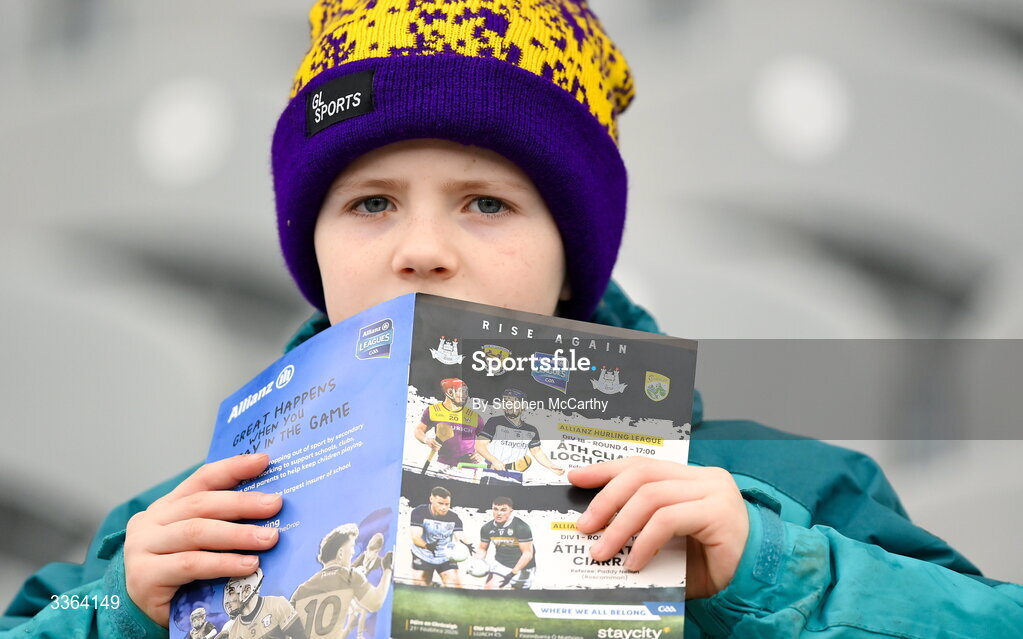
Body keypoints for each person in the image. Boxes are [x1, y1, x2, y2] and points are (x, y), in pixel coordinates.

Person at [2, 1, 1022, 637]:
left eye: (486, 203)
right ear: (309, 244)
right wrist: (119, 612)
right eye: (369, 203)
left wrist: (765, 571)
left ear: (572, 246)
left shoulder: (769, 490)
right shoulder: (193, 517)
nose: (422, 246)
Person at [289, 524, 393, 639]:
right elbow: (375, 602)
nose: (353, 552)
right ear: (341, 553)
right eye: (352, 546)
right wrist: (387, 569)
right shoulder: (350, 576)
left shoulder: (300, 591)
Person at [475, 388, 565, 484]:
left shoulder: (532, 430)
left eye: (514, 402)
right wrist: (494, 460)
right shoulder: (495, 422)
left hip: (516, 477)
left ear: (523, 406)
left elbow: (537, 452)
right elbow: (480, 445)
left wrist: (551, 466)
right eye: (505, 401)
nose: (509, 405)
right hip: (493, 474)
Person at [413, 378, 485, 473]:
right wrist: (426, 440)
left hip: (466, 468)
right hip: (442, 465)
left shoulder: (475, 417)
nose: (465, 396)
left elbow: (486, 440)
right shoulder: (433, 410)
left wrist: (481, 454)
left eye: (466, 392)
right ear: (450, 392)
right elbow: (418, 430)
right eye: (462, 391)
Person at [407, 487, 474, 588]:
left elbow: (459, 535)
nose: (444, 507)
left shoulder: (454, 517)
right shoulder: (419, 512)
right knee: (421, 587)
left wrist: (466, 544)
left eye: (447, 504)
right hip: (423, 555)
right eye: (440, 503)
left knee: (455, 586)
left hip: (445, 556)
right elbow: (415, 537)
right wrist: (427, 546)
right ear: (431, 499)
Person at [218, 569, 305, 639]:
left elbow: (300, 636)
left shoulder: (276, 605)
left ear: (247, 590)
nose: (227, 600)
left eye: (231, 592)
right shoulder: (233, 629)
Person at [476, 497, 536, 590]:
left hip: (523, 569)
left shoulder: (521, 527)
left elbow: (528, 554)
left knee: (516, 601)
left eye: (503, 510)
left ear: (511, 511)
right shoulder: (487, 528)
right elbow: (482, 549)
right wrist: (477, 562)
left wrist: (513, 573)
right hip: (501, 564)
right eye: (495, 509)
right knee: (489, 590)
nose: (498, 513)